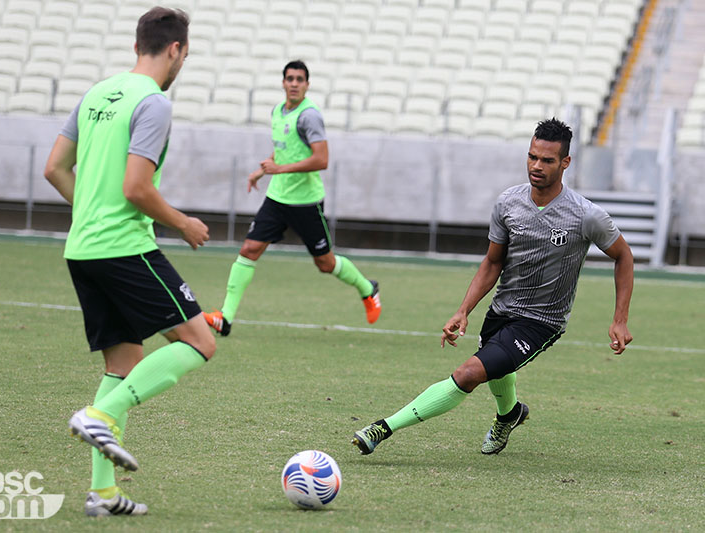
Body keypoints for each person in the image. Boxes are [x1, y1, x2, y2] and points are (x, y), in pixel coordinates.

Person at [351, 118, 634, 456]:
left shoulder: (586, 215)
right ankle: (510, 415)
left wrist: (619, 318)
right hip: (501, 310)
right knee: (498, 365)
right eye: (532, 157)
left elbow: (624, 257)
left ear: (565, 163)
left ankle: (383, 428)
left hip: (541, 321)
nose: (536, 166)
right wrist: (463, 310)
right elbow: (492, 262)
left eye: (547, 160)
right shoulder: (507, 204)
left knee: (470, 372)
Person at [43, 7, 215, 517]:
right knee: (200, 341)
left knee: (123, 363)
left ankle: (103, 494)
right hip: (123, 246)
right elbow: (136, 188)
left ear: (138, 43)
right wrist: (183, 223)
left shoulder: (97, 92)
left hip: (83, 248)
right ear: (177, 49)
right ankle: (101, 414)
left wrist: (90, 212)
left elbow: (54, 168)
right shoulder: (153, 102)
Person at [202, 60, 381, 337]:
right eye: (290, 78)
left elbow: (322, 159)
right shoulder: (277, 111)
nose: (294, 83)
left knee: (325, 263)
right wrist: (260, 172)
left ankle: (367, 289)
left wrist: (279, 170)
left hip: (306, 202)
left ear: (307, 85)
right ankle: (225, 318)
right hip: (277, 198)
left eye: (299, 79)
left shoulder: (310, 116)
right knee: (249, 249)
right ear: (283, 82)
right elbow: (283, 151)